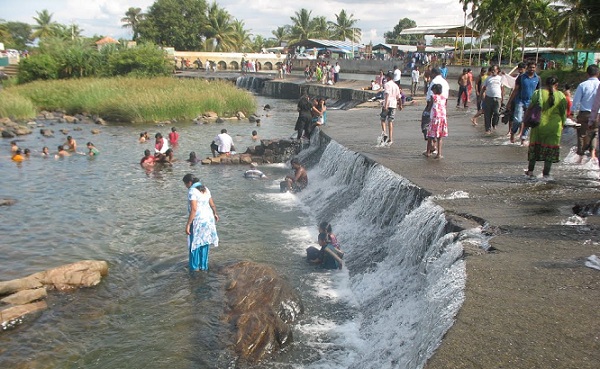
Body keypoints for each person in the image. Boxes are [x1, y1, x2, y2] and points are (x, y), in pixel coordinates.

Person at [524, 76, 567, 180]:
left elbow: (530, 108)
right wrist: (562, 125)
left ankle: (530, 171)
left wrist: (525, 120)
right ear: (556, 85)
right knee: (550, 150)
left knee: (535, 148)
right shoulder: (561, 95)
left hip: (539, 125)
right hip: (554, 127)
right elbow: (563, 113)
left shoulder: (538, 93)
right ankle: (546, 174)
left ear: (546, 84)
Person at [183, 174, 219, 272]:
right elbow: (212, 204)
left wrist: (188, 224)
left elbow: (194, 209)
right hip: (208, 220)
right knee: (205, 243)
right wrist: (215, 213)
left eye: (185, 184)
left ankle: (194, 269)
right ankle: (203, 267)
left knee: (194, 245)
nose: (186, 186)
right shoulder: (206, 189)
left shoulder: (192, 191)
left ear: (189, 183)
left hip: (198, 221)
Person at [507, 61, 540, 145]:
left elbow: (538, 92)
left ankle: (523, 139)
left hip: (531, 102)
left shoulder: (538, 78)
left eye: (533, 67)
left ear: (535, 68)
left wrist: (538, 104)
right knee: (518, 120)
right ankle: (513, 132)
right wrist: (509, 102)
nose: (532, 69)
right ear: (527, 68)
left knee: (528, 122)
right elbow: (515, 90)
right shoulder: (521, 77)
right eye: (530, 67)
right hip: (520, 101)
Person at [572, 64, 600, 162]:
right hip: (597, 115)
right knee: (594, 133)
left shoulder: (582, 85)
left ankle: (580, 156)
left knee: (581, 134)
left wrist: (572, 113)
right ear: (598, 73)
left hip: (584, 113)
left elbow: (576, 101)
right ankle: (592, 154)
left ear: (587, 74)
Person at [425, 84, 448, 159]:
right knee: (440, 137)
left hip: (435, 118)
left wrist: (426, 113)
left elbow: (430, 106)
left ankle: (428, 152)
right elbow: (444, 106)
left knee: (430, 136)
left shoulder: (433, 97)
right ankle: (439, 154)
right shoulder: (444, 97)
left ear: (435, 90)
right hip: (442, 118)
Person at [380, 71, 402, 146]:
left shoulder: (387, 84)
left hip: (387, 103)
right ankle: (391, 139)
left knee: (383, 119)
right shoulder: (396, 86)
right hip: (393, 105)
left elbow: (387, 95)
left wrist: (385, 105)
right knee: (390, 121)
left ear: (388, 78)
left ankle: (384, 134)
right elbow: (399, 97)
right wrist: (400, 105)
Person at [481, 65, 504, 135]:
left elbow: (502, 89)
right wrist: (480, 96)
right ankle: (488, 129)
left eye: (495, 70)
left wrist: (502, 98)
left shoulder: (500, 78)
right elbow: (484, 88)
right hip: (488, 97)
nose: (493, 71)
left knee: (497, 112)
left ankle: (494, 124)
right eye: (492, 70)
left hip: (498, 98)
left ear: (498, 71)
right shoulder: (488, 78)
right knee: (487, 114)